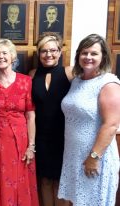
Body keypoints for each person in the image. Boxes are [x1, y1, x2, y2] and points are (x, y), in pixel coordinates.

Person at [58, 34, 120, 205]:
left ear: (103, 57)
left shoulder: (108, 83)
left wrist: (94, 157)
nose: (88, 57)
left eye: (94, 53)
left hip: (95, 157)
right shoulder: (77, 81)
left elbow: (111, 125)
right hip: (74, 155)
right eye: (84, 53)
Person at [0, 38, 39, 206]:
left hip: (21, 141)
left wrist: (31, 146)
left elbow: (31, 115)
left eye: (4, 53)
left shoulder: (25, 81)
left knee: (19, 181)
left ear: (13, 56)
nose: (0, 57)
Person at [29, 33, 73, 206]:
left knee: (61, 183)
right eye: (44, 51)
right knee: (45, 181)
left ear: (60, 52)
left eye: (53, 50)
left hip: (64, 138)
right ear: (39, 53)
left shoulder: (70, 73)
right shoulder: (32, 74)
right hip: (41, 138)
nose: (48, 54)